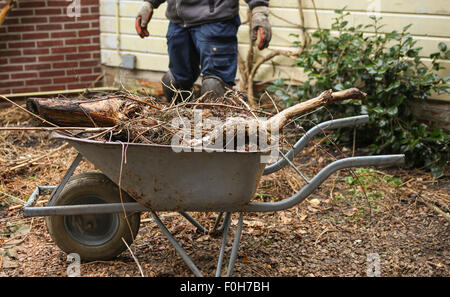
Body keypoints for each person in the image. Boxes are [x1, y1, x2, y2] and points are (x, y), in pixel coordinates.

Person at [135, 0, 271, 101]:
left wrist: (259, 11)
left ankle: (216, 135)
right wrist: (148, 4)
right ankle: (182, 130)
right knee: (174, 82)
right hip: (178, 23)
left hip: (216, 20)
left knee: (215, 86)